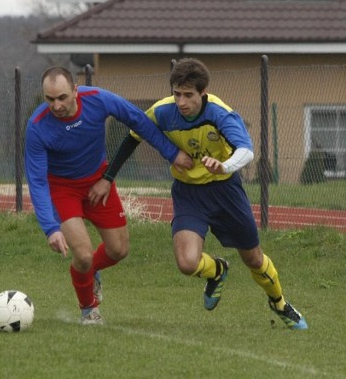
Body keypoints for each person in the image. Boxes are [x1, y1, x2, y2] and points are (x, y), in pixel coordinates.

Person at [96, 58, 308, 330]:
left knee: (253, 258)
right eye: (177, 94)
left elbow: (246, 150)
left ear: (202, 94)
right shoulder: (162, 112)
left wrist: (224, 166)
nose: (181, 102)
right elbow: (132, 137)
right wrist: (108, 177)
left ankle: (279, 303)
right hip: (188, 193)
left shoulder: (220, 114)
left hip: (225, 190)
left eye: (188, 95)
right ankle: (218, 271)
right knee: (186, 262)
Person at [25, 66, 193, 324]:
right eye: (49, 99)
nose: (56, 105)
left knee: (118, 250)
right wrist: (50, 228)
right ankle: (89, 310)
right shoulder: (37, 127)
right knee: (82, 255)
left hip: (97, 181)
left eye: (61, 98)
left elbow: (138, 120)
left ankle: (90, 272)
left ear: (75, 91)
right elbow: (37, 180)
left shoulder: (99, 99)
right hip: (62, 189)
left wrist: (171, 153)